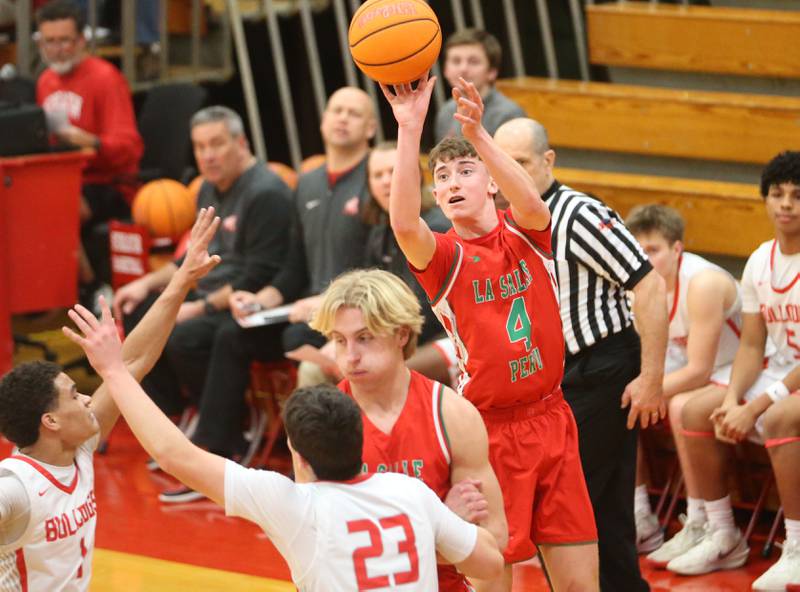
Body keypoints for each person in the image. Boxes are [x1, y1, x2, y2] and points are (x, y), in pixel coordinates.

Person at [64, 305, 505, 589]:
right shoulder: (414, 494)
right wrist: (442, 520)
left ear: (297, 453)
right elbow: (490, 563)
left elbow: (174, 453)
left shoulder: (293, 504)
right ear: (358, 434)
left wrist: (114, 372)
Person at [383, 75, 598, 591]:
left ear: (492, 181)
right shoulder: (444, 257)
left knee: (580, 585)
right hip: (487, 431)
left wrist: (480, 135)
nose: (453, 181)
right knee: (493, 582)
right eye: (442, 176)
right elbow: (404, 224)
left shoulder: (527, 231)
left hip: (551, 417)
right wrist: (409, 130)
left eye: (465, 171)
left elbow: (532, 202)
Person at [159, 87, 375, 503]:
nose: (343, 118)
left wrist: (332, 302)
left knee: (285, 340)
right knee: (232, 333)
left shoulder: (375, 177)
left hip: (349, 315)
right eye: (336, 110)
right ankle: (220, 452)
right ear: (323, 120)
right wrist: (262, 300)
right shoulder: (307, 181)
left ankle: (318, 458)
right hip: (300, 311)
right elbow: (293, 266)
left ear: (369, 127)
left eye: (354, 112)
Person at [0, 208, 221, 591]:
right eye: (73, 395)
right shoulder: (14, 489)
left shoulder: (79, 447)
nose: (87, 399)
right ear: (50, 421)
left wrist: (181, 280)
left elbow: (130, 364)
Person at [493, 117, 667, 591]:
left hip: (603, 369)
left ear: (548, 161)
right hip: (557, 378)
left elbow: (650, 285)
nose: (512, 172)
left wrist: (652, 377)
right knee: (602, 508)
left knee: (562, 505)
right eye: (503, 163)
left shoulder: (579, 214)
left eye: (523, 162)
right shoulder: (504, 222)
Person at [310, 269, 507, 591]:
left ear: (402, 334)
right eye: (339, 340)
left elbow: (493, 543)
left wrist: (376, 540)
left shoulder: (452, 414)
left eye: (364, 337)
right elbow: (322, 544)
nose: (350, 356)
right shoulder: (322, 419)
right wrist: (441, 522)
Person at [662, 152, 800, 590]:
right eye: (777, 194)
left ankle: (796, 546)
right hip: (781, 371)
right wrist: (729, 400)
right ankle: (723, 532)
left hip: (792, 381)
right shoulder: (760, 259)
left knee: (777, 416)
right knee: (696, 410)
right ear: (764, 200)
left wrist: (756, 404)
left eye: (797, 196)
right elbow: (753, 344)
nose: (786, 204)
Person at [112, 106, 292, 429]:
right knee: (137, 310)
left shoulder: (266, 193)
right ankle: (177, 411)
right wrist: (146, 283)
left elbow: (259, 275)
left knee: (182, 335)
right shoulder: (207, 188)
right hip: (209, 296)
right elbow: (192, 257)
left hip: (244, 302)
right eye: (199, 146)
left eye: (216, 144)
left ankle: (227, 421)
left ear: (242, 143)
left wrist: (198, 308)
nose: (207, 155)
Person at [625, 204, 742, 556]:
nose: (644, 259)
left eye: (653, 251)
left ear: (677, 250)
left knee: (674, 406)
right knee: (616, 395)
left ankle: (701, 519)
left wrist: (641, 391)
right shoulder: (639, 287)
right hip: (699, 368)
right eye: (638, 251)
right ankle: (639, 513)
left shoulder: (702, 283)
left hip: (738, 368)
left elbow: (700, 369)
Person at [35, 0, 144, 298]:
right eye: (50, 41)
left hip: (109, 183)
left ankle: (93, 289)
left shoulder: (105, 78)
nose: (57, 49)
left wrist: (92, 142)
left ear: (81, 40)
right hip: (65, 179)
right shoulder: (45, 81)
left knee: (55, 209)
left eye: (65, 41)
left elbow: (130, 148)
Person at [435, 29, 525, 143]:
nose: (463, 69)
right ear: (445, 70)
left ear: (492, 72)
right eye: (456, 61)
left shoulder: (509, 115)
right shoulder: (446, 111)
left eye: (473, 62)